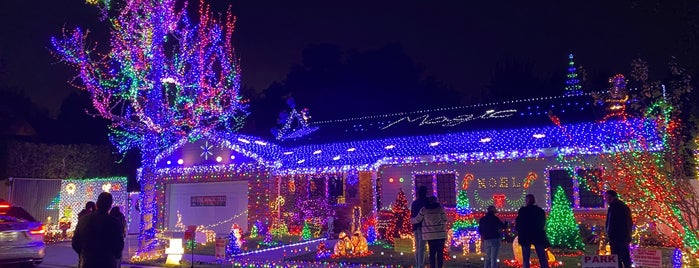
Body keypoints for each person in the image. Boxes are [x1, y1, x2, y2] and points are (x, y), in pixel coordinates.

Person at [72, 192, 124, 268]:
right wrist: (114, 255)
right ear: (109, 206)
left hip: (88, 262)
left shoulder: (83, 220)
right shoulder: (114, 222)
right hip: (107, 262)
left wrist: (84, 253)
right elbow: (119, 244)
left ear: (97, 204)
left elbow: (75, 242)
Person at [411, 196, 448, 268]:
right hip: (440, 234)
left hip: (430, 235)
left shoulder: (424, 210)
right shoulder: (440, 209)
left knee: (432, 253)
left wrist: (411, 220)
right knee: (440, 253)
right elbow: (445, 220)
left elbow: (418, 220)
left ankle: (432, 266)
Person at [515, 194, 550, 268]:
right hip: (537, 234)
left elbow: (518, 222)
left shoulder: (523, 211)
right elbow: (542, 222)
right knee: (541, 255)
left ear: (527, 200)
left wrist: (519, 230)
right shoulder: (539, 210)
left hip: (526, 235)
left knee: (526, 256)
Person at [605, 190, 633, 268]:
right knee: (617, 258)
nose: (605, 199)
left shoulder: (620, 207)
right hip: (615, 237)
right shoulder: (612, 207)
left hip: (620, 237)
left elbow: (624, 223)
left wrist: (626, 235)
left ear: (611, 197)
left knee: (623, 257)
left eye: (606, 197)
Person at [410, 186, 429, 267]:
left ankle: (418, 264)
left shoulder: (414, 203)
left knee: (418, 247)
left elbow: (412, 215)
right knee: (422, 247)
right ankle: (420, 265)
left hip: (416, 227)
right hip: (424, 227)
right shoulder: (427, 202)